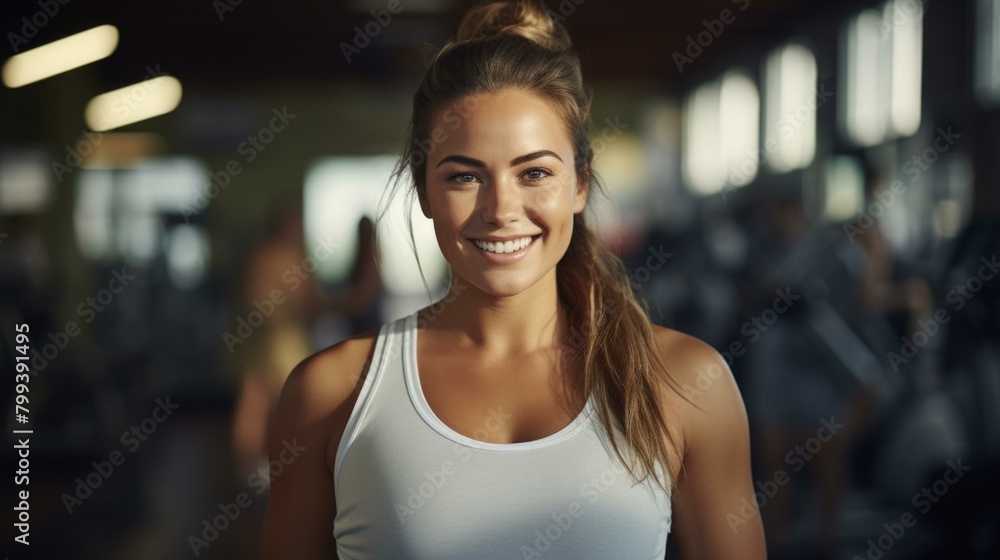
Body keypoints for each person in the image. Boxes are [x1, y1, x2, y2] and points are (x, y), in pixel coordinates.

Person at [260, 1, 766, 558]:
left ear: (579, 184)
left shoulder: (685, 383)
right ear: (424, 192)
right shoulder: (332, 392)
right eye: (464, 176)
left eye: (535, 172)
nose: (501, 209)